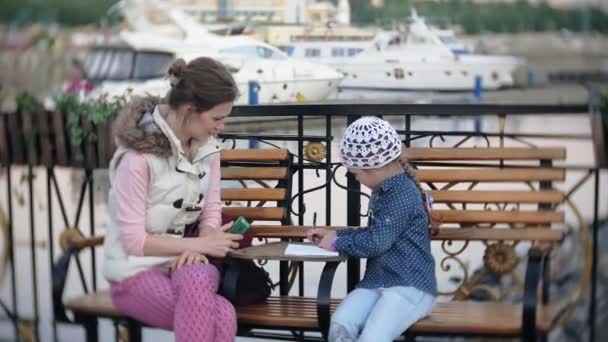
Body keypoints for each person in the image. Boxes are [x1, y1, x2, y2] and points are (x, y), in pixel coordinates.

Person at [103, 57, 243, 342]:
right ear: (190, 111)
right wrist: (197, 244)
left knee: (198, 280)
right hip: (132, 272)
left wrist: (201, 244)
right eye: (217, 118)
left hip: (184, 263)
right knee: (223, 313)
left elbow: (211, 210)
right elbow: (133, 242)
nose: (221, 127)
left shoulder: (208, 151)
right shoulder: (137, 160)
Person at [307, 117, 438, 342]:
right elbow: (374, 233)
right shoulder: (384, 190)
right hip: (380, 280)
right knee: (341, 325)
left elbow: (377, 243)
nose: (356, 179)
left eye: (356, 174)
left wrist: (337, 242)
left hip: (410, 286)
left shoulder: (401, 194)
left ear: (374, 167)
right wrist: (336, 235)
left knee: (373, 337)